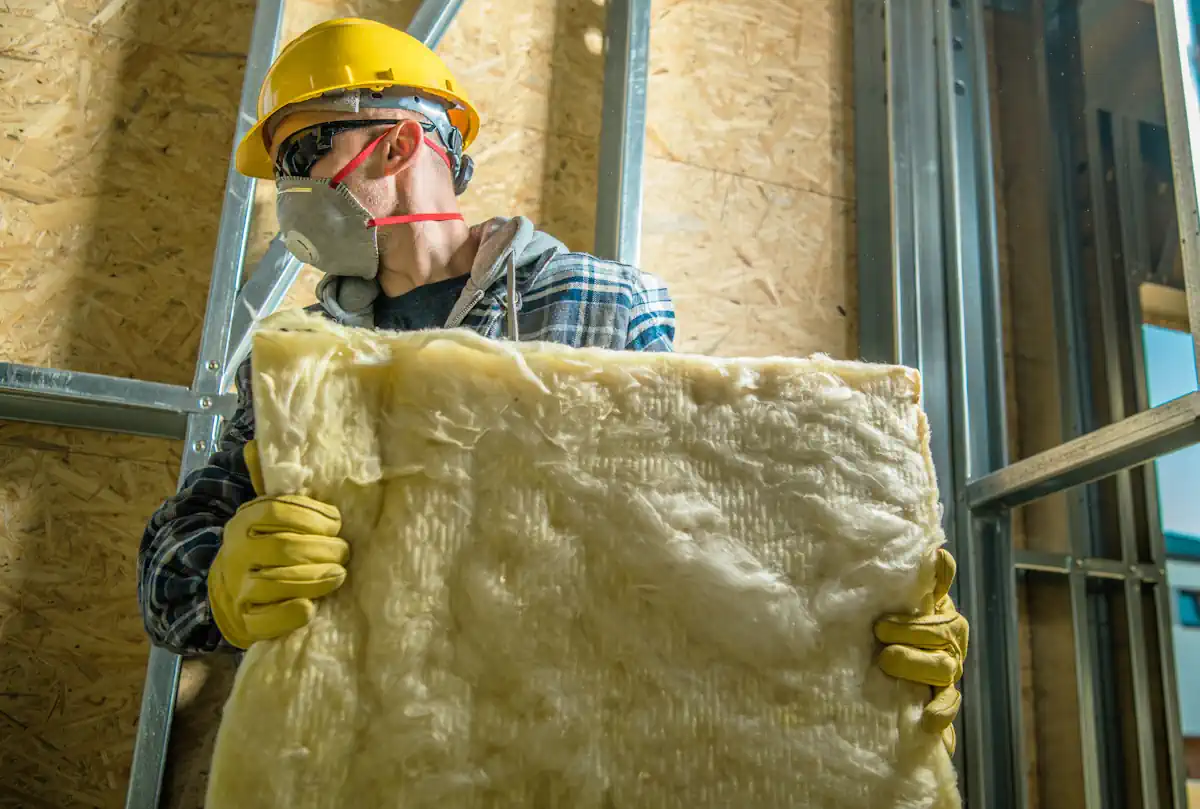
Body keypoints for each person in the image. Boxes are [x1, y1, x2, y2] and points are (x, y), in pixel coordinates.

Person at [137, 17, 968, 753]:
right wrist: (218, 582)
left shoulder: (599, 304)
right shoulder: (297, 356)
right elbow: (170, 559)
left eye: (298, 156)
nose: (288, 194)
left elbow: (701, 523)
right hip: (364, 754)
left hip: (554, 744)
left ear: (395, 144)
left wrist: (864, 626)